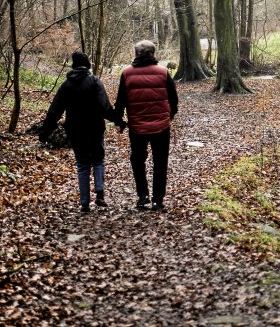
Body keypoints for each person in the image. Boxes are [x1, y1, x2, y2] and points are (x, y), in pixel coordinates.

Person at [40, 51, 124, 213]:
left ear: (73, 65)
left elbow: (54, 111)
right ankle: (100, 194)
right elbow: (105, 106)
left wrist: (45, 131)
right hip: (95, 128)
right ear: (87, 65)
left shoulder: (66, 85)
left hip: (75, 130)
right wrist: (118, 120)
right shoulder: (94, 82)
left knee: (82, 165)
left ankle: (84, 203)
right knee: (98, 160)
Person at [114, 40, 178, 211]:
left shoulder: (126, 73)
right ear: (153, 54)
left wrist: (119, 121)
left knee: (137, 160)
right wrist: (170, 115)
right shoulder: (163, 72)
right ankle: (158, 199)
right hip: (161, 127)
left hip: (137, 127)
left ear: (135, 54)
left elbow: (120, 101)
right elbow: (174, 98)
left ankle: (143, 195)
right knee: (160, 162)